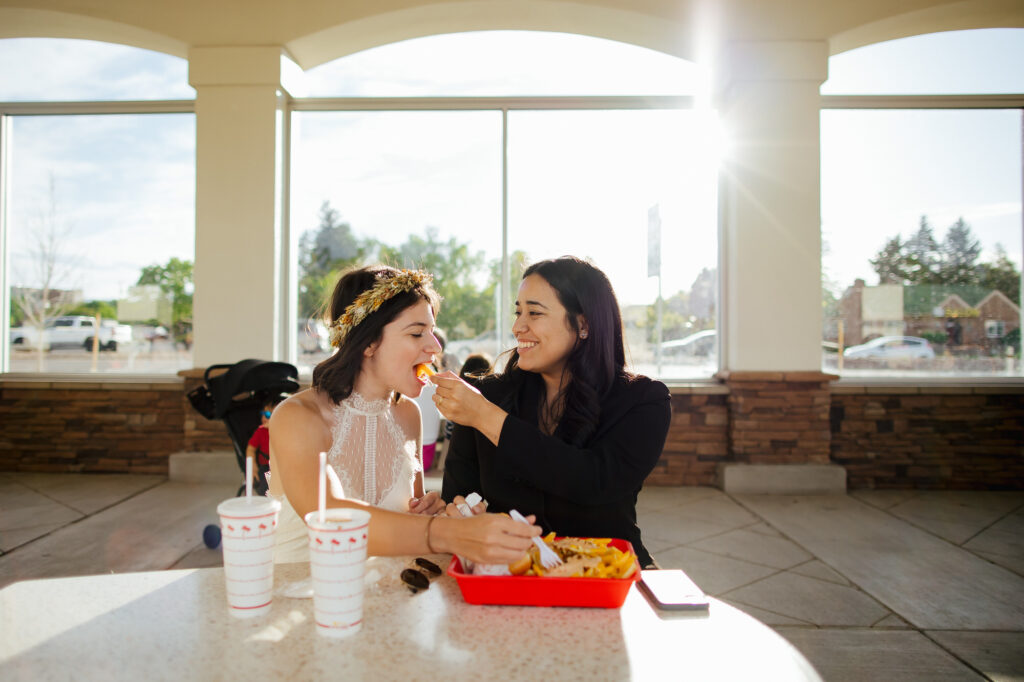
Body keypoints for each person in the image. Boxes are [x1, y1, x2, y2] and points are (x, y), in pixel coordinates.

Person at [268, 265, 540, 564]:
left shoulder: (408, 415)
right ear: (368, 341)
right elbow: (328, 516)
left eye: (433, 332)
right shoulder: (297, 417)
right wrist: (445, 532)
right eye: (416, 333)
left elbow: (412, 525)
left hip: (391, 600)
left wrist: (436, 511)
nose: (435, 347)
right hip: (301, 600)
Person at [436, 256, 671, 568]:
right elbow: (458, 496)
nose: (518, 326)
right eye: (519, 312)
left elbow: (594, 481)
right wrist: (460, 513)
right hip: (507, 575)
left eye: (535, 313)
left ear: (584, 324)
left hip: (605, 575)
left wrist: (485, 417)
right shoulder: (487, 395)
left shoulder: (642, 400)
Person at [245, 396, 284, 495]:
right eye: (263, 414)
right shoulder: (261, 431)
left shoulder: (285, 431)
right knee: (265, 487)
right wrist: (252, 466)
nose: (264, 417)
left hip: (282, 465)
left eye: (268, 415)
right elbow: (251, 449)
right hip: (266, 466)